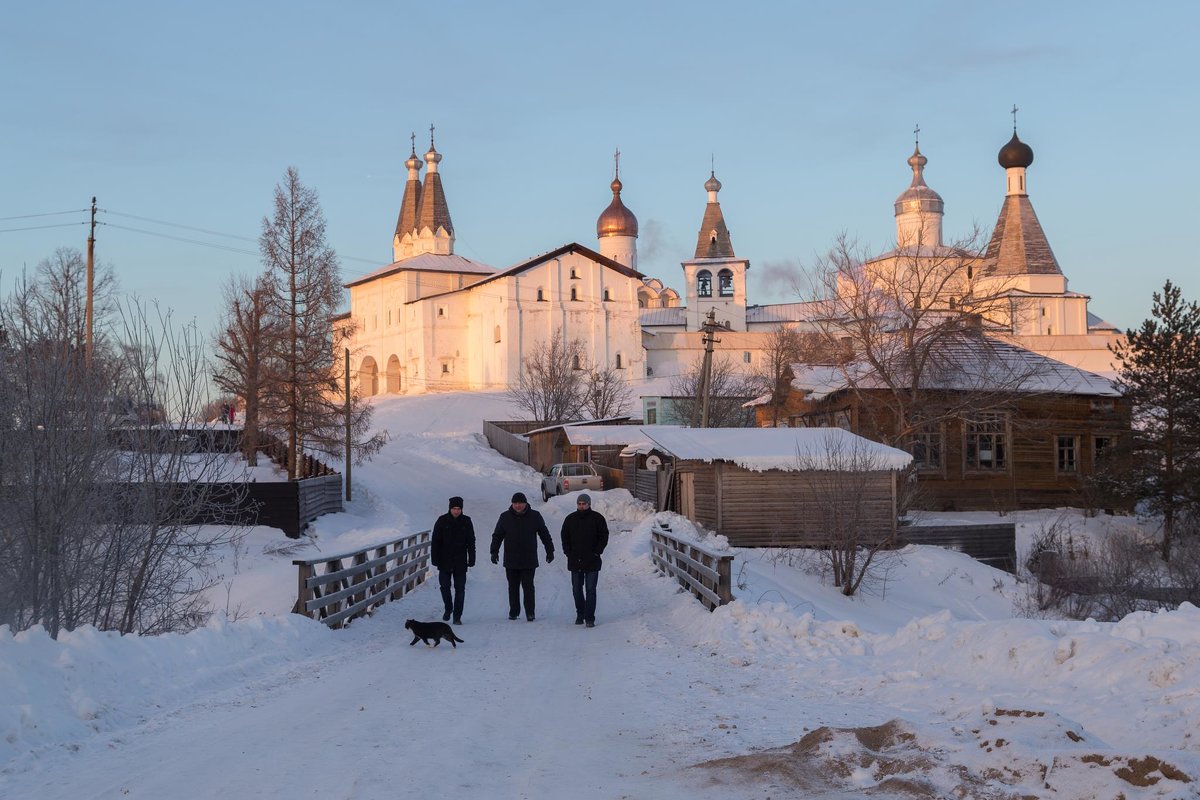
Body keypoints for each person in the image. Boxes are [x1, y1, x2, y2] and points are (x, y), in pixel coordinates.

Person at [490, 491, 554, 621]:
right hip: (511, 559)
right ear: (512, 504)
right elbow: (497, 535)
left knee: (528, 586)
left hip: (528, 559)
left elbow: (544, 534)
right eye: (515, 503)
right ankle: (514, 611)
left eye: (520, 503)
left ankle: (530, 612)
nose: (518, 506)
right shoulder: (505, 517)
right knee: (512, 587)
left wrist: (550, 550)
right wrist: (494, 551)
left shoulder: (535, 516)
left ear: (525, 503)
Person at [559, 493, 609, 628]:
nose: (581, 506)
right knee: (576, 589)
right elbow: (564, 536)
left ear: (589, 504)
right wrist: (568, 552)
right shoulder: (570, 519)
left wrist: (597, 551)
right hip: (575, 560)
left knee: (591, 589)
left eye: (584, 504)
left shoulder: (597, 519)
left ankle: (589, 617)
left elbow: (604, 536)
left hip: (592, 560)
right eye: (579, 504)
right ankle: (580, 613)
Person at [431, 496, 476, 625]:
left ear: (461, 509)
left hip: (460, 561)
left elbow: (471, 541)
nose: (456, 511)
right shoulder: (441, 521)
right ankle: (448, 607)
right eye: (454, 508)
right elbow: (435, 541)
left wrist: (472, 557)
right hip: (444, 561)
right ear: (450, 508)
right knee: (444, 587)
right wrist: (435, 558)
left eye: (459, 509)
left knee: (460, 589)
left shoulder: (467, 521)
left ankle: (457, 616)